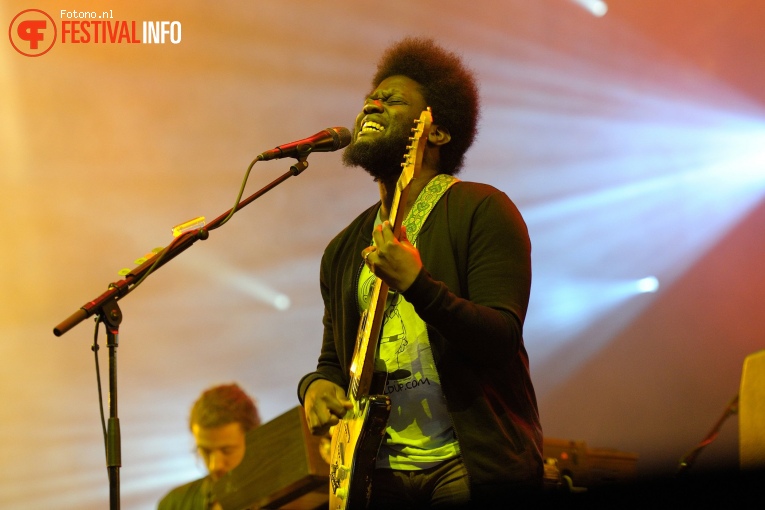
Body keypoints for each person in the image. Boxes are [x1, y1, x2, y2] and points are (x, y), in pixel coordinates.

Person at [297, 36, 543, 509]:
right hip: (377, 474)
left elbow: (500, 337)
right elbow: (333, 360)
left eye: (392, 100)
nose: (372, 103)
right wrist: (315, 387)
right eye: (371, 97)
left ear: (435, 132)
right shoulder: (342, 249)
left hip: (468, 465)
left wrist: (417, 284)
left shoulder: (483, 209)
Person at [158, 383, 261, 510]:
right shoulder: (173, 504)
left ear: (255, 442)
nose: (215, 466)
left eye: (227, 450)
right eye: (205, 451)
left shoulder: (285, 498)